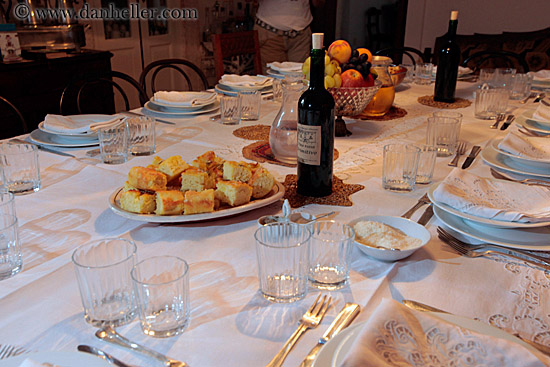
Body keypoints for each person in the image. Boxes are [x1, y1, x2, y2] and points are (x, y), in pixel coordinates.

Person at [254, 0, 324, 72]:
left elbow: (318, 3)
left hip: (301, 37)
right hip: (269, 34)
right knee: (270, 80)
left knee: (300, 79)